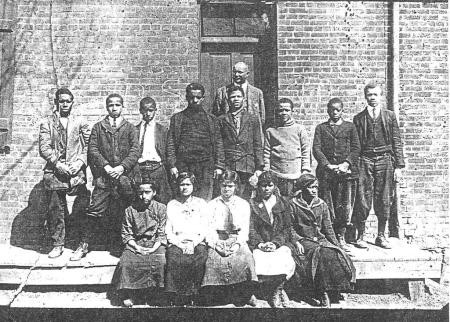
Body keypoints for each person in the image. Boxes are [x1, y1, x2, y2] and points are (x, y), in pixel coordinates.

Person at [71, 93, 141, 261]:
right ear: (106, 107)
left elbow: (135, 151)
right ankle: (84, 244)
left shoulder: (130, 128)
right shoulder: (98, 127)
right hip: (104, 178)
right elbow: (93, 150)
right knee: (94, 210)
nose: (114, 108)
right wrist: (106, 166)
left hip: (124, 179)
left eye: (117, 105)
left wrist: (122, 167)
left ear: (122, 107)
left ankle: (125, 245)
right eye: (111, 105)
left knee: (125, 211)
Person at [290, 173, 356, 307]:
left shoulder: (322, 204)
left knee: (334, 253)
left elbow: (328, 228)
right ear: (303, 188)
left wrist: (337, 245)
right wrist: (297, 240)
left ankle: (335, 289)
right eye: (310, 187)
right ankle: (322, 292)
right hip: (304, 240)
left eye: (316, 187)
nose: (314, 190)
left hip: (320, 238)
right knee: (319, 253)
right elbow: (289, 227)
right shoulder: (293, 204)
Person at [39, 87, 90, 258]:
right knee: (56, 209)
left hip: (76, 172)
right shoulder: (47, 123)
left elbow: (90, 145)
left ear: (72, 103)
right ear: (56, 103)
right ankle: (58, 244)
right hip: (55, 172)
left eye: (68, 101)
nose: (65, 104)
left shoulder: (80, 122)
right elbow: (44, 148)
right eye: (62, 101)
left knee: (81, 208)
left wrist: (80, 162)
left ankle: (81, 244)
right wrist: (57, 164)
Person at [353, 83, 405, 249]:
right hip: (365, 160)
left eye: (375, 94)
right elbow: (356, 144)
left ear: (380, 96)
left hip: (385, 160)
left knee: (384, 198)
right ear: (365, 97)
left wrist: (399, 166)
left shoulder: (389, 116)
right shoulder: (359, 118)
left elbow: (396, 141)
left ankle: (381, 236)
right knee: (362, 198)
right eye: (370, 95)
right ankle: (360, 236)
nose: (373, 98)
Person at [201, 170, 258, 306]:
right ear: (219, 186)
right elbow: (208, 229)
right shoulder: (211, 205)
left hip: (236, 238)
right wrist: (216, 245)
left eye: (230, 186)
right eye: (224, 185)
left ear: (236, 187)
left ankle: (246, 294)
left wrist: (236, 245)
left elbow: (244, 230)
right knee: (212, 260)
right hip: (218, 239)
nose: (226, 189)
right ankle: (221, 296)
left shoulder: (243, 204)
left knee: (246, 257)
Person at [312, 98, 360, 251]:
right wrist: (327, 165)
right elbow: (317, 149)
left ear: (342, 110)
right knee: (328, 204)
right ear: (327, 110)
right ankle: (328, 236)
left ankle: (341, 236)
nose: (334, 112)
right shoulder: (321, 128)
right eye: (332, 109)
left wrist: (346, 164)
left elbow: (356, 148)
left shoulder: (350, 127)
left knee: (344, 206)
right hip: (327, 175)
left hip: (345, 175)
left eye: (337, 110)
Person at [166, 83, 225, 201]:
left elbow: (218, 143)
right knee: (184, 199)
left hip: (206, 166)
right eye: (192, 97)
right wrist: (172, 165)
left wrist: (219, 166)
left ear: (203, 98)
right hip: (184, 165)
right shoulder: (177, 118)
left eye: (198, 97)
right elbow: (171, 143)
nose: (195, 100)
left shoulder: (212, 120)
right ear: (187, 97)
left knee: (204, 199)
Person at [115, 179, 167, 307]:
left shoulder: (161, 208)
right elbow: (126, 233)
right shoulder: (130, 210)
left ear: (154, 192)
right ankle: (132, 293)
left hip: (155, 243)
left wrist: (153, 248)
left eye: (147, 192)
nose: (143, 196)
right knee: (126, 262)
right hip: (136, 243)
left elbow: (162, 233)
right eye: (140, 192)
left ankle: (154, 293)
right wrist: (136, 247)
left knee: (160, 261)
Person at [248, 171, 296, 308]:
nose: (266, 188)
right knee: (258, 258)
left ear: (275, 186)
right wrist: (260, 243)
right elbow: (251, 229)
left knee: (284, 257)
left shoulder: (283, 203)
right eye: (263, 185)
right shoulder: (253, 203)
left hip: (278, 243)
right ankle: (270, 292)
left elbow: (286, 228)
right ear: (258, 187)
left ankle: (278, 289)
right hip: (261, 243)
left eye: (270, 185)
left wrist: (275, 243)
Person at [165, 172, 209, 305]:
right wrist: (179, 244)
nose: (184, 187)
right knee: (173, 257)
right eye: (181, 184)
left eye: (188, 184)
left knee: (200, 257)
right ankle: (176, 296)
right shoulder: (172, 204)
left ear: (193, 186)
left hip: (196, 241)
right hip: (178, 241)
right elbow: (168, 229)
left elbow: (205, 227)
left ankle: (194, 294)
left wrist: (193, 243)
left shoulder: (201, 203)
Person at [217, 85, 264, 199]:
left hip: (247, 165)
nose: (236, 99)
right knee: (228, 196)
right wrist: (219, 166)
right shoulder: (221, 120)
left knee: (245, 197)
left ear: (244, 99)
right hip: (229, 164)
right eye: (233, 97)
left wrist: (259, 168)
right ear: (228, 100)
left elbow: (257, 144)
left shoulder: (252, 119)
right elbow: (219, 144)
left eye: (239, 96)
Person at [264, 98, 311, 196]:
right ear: (276, 112)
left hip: (295, 173)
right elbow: (266, 151)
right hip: (276, 173)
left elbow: (306, 150)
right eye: (280, 110)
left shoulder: (300, 129)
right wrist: (266, 168)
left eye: (287, 110)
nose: (284, 113)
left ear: (292, 111)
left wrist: (305, 169)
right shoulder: (270, 131)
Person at [135, 97, 171, 204]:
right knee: (141, 199)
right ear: (140, 111)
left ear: (155, 110)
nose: (148, 113)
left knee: (162, 199)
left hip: (157, 169)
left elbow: (168, 151)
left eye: (150, 110)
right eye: (145, 110)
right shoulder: (134, 130)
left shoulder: (162, 130)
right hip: (140, 169)